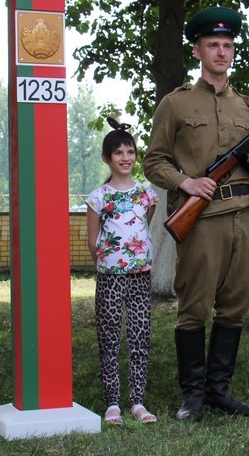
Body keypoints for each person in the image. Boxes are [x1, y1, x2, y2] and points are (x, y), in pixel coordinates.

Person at [143, 7, 249, 422]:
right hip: (202, 217)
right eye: (213, 45)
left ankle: (219, 391)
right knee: (194, 307)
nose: (222, 52)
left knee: (236, 305)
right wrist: (185, 183)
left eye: (228, 45)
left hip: (247, 213)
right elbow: (154, 162)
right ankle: (193, 396)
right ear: (198, 50)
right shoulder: (176, 103)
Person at [86, 118, 159, 426]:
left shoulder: (146, 194)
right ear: (107, 158)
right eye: (118, 153)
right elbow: (92, 239)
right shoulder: (98, 197)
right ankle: (113, 402)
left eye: (130, 151)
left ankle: (138, 402)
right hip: (110, 278)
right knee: (109, 338)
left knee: (140, 337)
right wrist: (107, 264)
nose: (126, 158)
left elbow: (145, 227)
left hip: (141, 276)